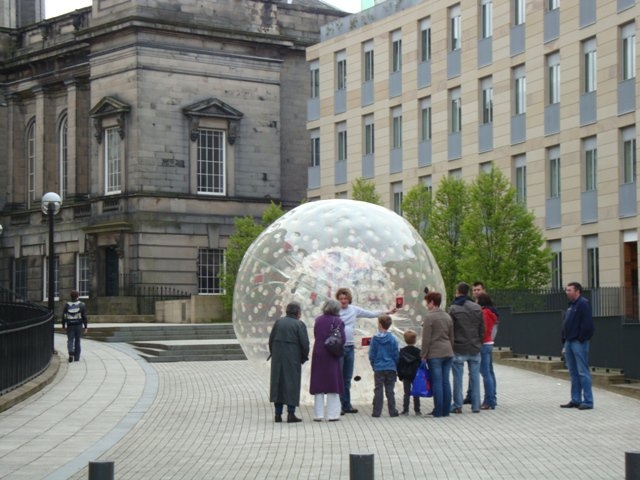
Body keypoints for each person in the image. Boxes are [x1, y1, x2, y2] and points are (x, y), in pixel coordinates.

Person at [335, 287, 396, 415]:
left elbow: (371, 313)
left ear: (349, 299)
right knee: (338, 377)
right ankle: (338, 405)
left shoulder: (354, 310)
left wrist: (387, 312)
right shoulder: (335, 311)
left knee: (347, 377)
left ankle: (346, 405)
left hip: (349, 347)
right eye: (341, 299)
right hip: (338, 347)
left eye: (345, 298)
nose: (343, 301)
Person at [268, 301, 310, 423]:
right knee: (292, 385)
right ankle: (291, 414)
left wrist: (274, 353)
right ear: (298, 313)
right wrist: (303, 358)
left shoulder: (278, 323)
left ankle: (278, 414)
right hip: (293, 359)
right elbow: (305, 344)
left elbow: (271, 341)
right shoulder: (299, 325)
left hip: (277, 359)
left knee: (278, 384)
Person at [449, 282, 485, 414]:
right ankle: (476, 405)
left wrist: (452, 344)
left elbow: (450, 329)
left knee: (458, 378)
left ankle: (457, 405)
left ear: (458, 292)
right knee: (475, 377)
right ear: (468, 292)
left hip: (459, 346)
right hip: (474, 346)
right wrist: (479, 342)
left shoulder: (453, 308)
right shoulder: (477, 307)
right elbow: (482, 328)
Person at [560, 282, 595, 410]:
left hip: (578, 342)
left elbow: (588, 325)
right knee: (573, 372)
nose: (567, 292)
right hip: (569, 342)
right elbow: (566, 324)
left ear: (577, 291)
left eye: (569, 290)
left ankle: (588, 401)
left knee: (582, 372)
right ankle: (576, 399)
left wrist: (581, 338)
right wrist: (564, 342)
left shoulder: (583, 304)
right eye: (566, 290)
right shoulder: (571, 305)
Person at [309, 299, 345, 422]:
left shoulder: (318, 320)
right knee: (332, 384)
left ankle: (318, 414)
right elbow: (343, 339)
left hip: (318, 353)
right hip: (332, 354)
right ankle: (332, 414)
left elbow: (316, 334)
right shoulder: (338, 321)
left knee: (319, 383)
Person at [421, 290, 454, 417]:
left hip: (435, 354)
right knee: (446, 381)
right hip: (448, 352)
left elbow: (426, 339)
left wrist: (423, 355)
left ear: (432, 302)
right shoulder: (447, 316)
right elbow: (451, 337)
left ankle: (438, 410)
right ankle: (446, 410)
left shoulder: (429, 317)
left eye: (427, 302)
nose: (426, 305)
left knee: (437, 382)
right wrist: (450, 349)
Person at [368, 314, 399, 417]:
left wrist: (373, 365)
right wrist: (395, 365)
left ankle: (376, 412)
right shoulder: (393, 339)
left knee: (378, 389)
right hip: (390, 367)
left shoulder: (375, 339)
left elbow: (372, 354)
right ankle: (392, 411)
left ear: (380, 325)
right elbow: (396, 354)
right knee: (390, 390)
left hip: (379, 367)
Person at [477, 292, 498, 410]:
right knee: (489, 371)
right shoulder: (491, 312)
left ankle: (489, 400)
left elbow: (483, 329)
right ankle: (492, 398)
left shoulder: (484, 313)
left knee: (485, 373)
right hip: (489, 342)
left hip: (484, 343)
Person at [397, 329, 422, 416]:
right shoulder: (418, 352)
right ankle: (417, 410)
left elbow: (399, 364)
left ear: (405, 340)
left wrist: (400, 375)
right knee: (416, 392)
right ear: (415, 340)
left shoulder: (402, 351)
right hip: (415, 374)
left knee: (406, 393)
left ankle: (405, 410)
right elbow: (420, 364)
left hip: (405, 375)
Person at [61, 290, 88, 363]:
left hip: (70, 325)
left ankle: (70, 352)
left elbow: (64, 316)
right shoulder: (82, 305)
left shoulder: (67, 305)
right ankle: (76, 358)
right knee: (77, 341)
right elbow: (84, 317)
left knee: (70, 340)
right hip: (78, 325)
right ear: (78, 296)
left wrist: (63, 325)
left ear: (71, 296)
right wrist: (85, 327)